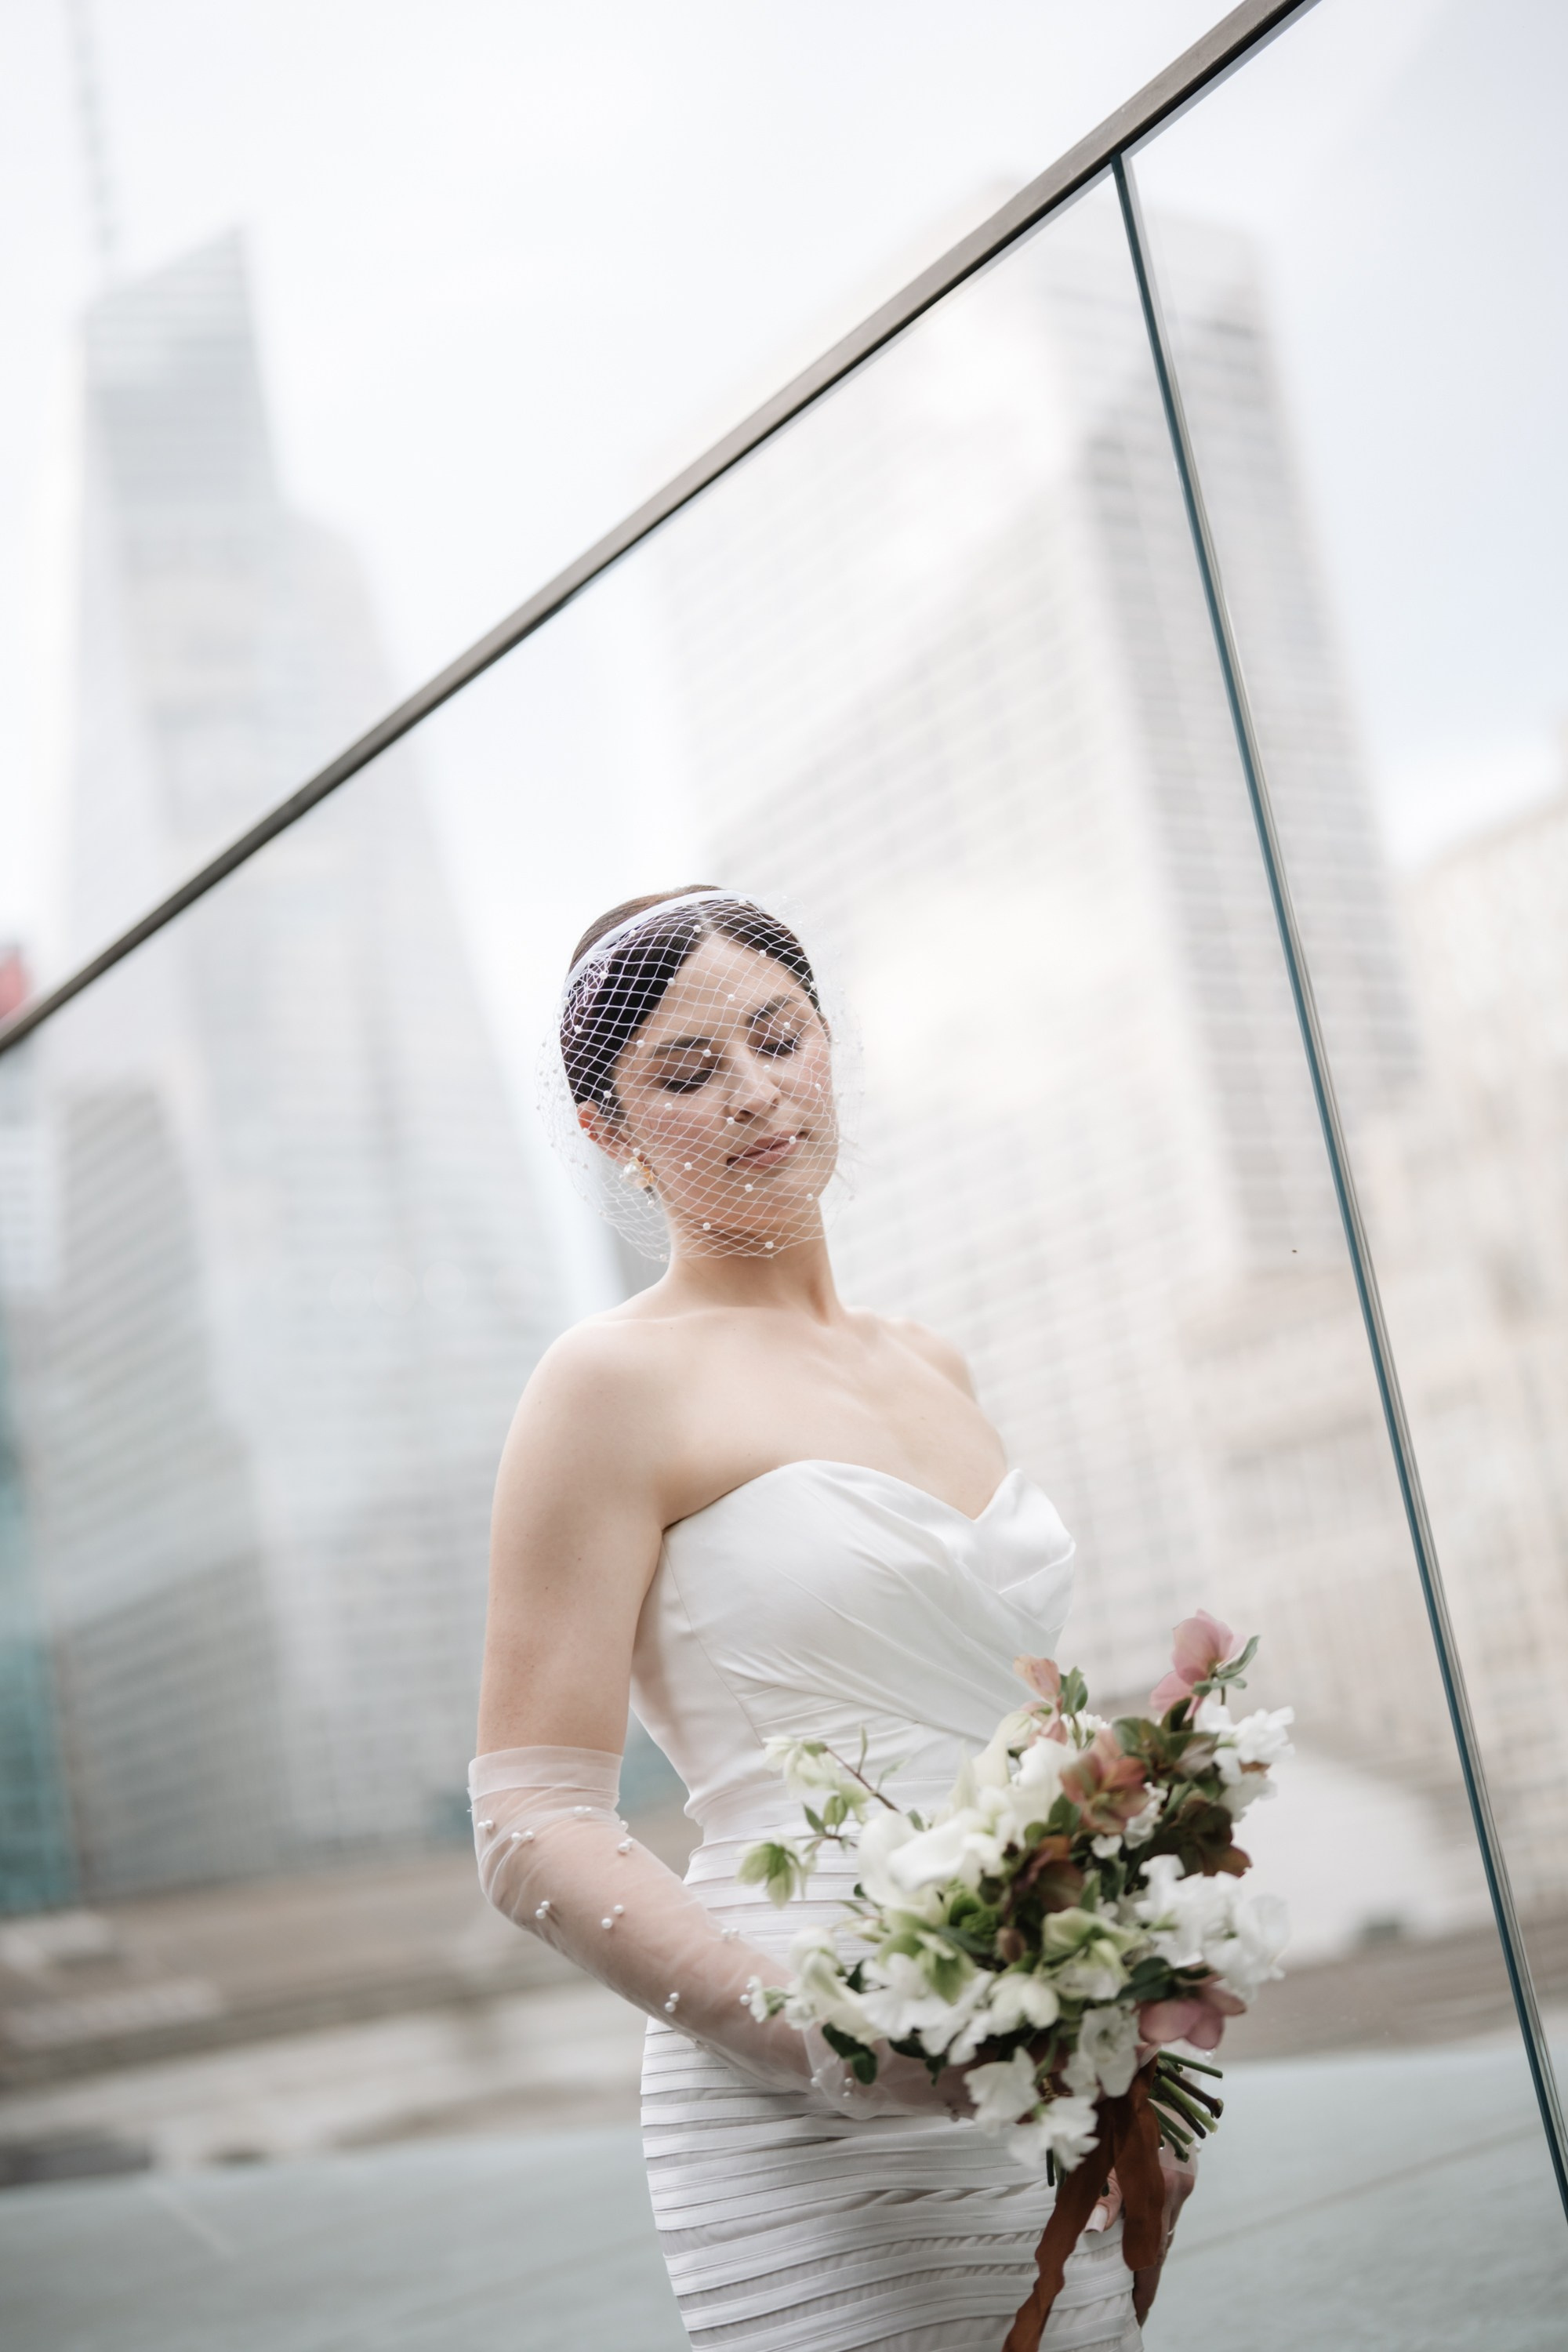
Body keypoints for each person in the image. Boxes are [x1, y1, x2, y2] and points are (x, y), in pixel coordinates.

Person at [470, 888, 1189, 2352]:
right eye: (683, 1073)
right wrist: (830, 2036)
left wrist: (1124, 2064)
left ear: (826, 1044)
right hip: (804, 2064)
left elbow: (1033, 1755)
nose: (753, 1092)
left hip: (1040, 2060)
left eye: (777, 1037)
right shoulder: (607, 1384)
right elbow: (528, 1817)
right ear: (610, 1134)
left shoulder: (935, 1361)